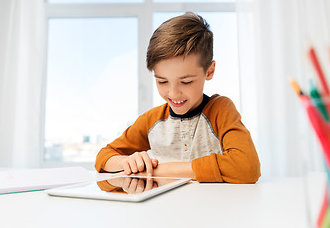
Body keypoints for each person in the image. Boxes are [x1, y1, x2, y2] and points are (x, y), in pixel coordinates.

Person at [95, 12, 261, 183]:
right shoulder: (152, 120)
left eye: (186, 81)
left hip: (212, 206)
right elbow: (103, 157)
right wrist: (127, 162)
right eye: (162, 81)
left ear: (209, 71)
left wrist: (159, 171)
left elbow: (247, 167)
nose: (173, 93)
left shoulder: (220, 110)